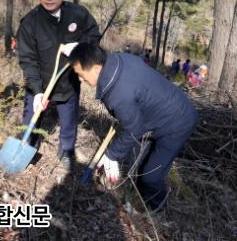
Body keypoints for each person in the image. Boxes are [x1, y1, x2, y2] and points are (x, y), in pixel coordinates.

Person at [68, 42, 198, 211]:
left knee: (151, 177)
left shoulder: (118, 94)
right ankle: (138, 197)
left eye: (81, 74)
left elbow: (134, 129)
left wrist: (111, 155)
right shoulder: (118, 59)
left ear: (96, 68)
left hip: (177, 122)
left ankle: (157, 210)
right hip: (155, 114)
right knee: (134, 161)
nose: (80, 79)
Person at [16, 0, 101, 171]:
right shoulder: (30, 22)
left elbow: (93, 35)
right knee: (31, 120)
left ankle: (66, 151)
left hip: (68, 82)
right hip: (39, 83)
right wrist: (37, 91)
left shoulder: (78, 14)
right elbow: (27, 60)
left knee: (69, 122)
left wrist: (81, 48)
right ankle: (28, 147)